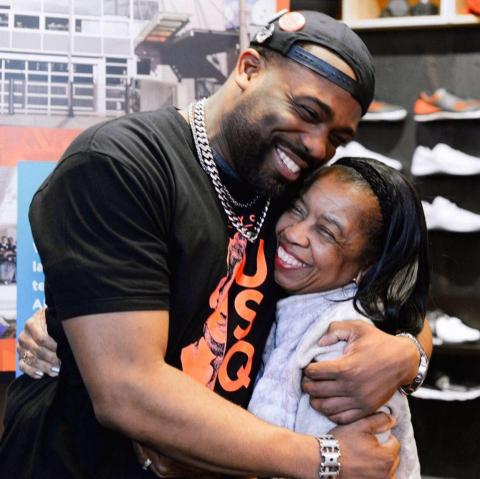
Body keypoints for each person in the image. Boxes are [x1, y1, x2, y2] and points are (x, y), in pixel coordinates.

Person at [1, 10, 431, 479]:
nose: (316, 146)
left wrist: (406, 356)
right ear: (248, 68)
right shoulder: (121, 164)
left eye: (337, 137)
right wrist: (326, 458)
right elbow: (128, 390)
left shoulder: (290, 192)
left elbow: (389, 294)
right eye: (308, 113)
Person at [248, 157, 429, 479]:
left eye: (327, 233)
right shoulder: (296, 297)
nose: (294, 234)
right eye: (298, 210)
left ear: (367, 265)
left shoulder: (338, 348)